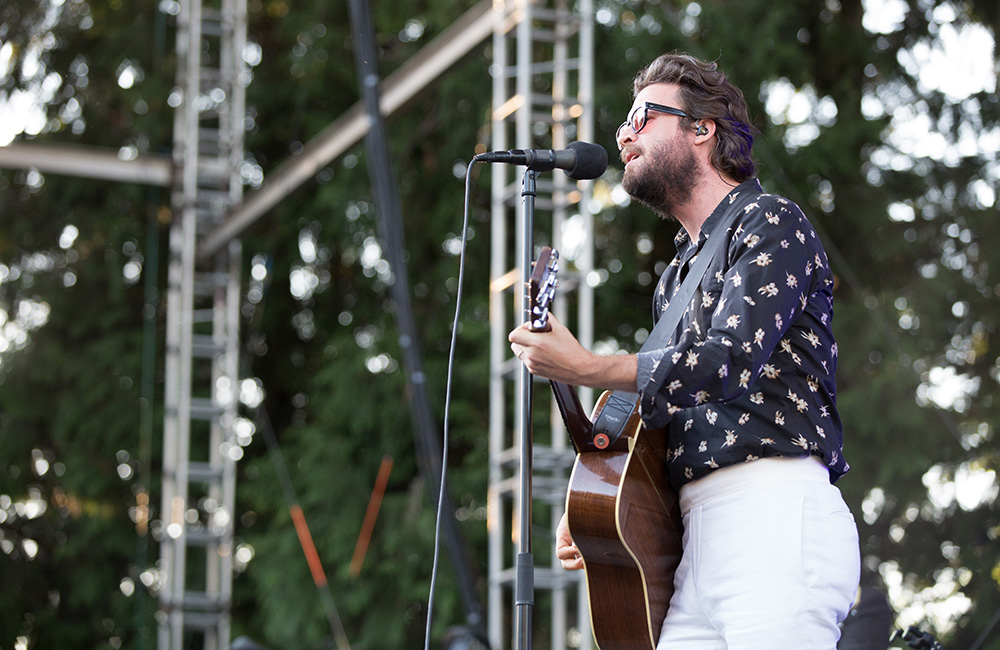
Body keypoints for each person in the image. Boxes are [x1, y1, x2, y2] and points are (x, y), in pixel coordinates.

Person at [508, 52, 861, 650]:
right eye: (624, 122)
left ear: (703, 129)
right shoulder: (676, 277)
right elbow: (663, 419)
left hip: (772, 514)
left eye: (642, 115)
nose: (623, 134)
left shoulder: (770, 222)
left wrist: (590, 369)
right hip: (691, 543)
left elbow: (725, 361)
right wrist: (598, 496)